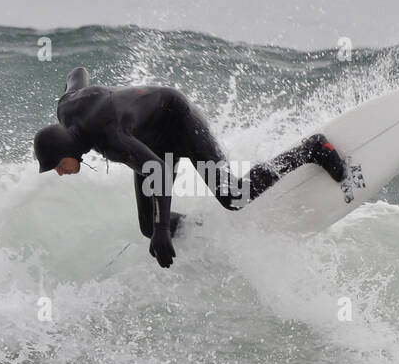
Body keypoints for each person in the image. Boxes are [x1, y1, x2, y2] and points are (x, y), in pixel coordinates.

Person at [33, 67, 348, 268]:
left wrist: (162, 231)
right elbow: (78, 72)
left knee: (232, 196)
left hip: (179, 121)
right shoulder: (67, 107)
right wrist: (156, 229)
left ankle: (311, 149)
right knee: (148, 225)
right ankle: (211, 230)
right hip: (151, 139)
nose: (60, 173)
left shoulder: (110, 137)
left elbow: (154, 168)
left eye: (57, 166)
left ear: (66, 149)